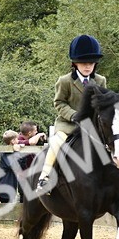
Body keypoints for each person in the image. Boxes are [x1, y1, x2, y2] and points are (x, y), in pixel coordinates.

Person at [36, 34, 107, 190]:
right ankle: (45, 176)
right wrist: (75, 115)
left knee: (111, 141)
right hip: (68, 124)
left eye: (91, 63)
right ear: (74, 63)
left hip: (92, 125)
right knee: (55, 143)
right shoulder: (65, 81)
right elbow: (59, 103)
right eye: (83, 63)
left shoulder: (100, 81)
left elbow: (102, 103)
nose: (87, 66)